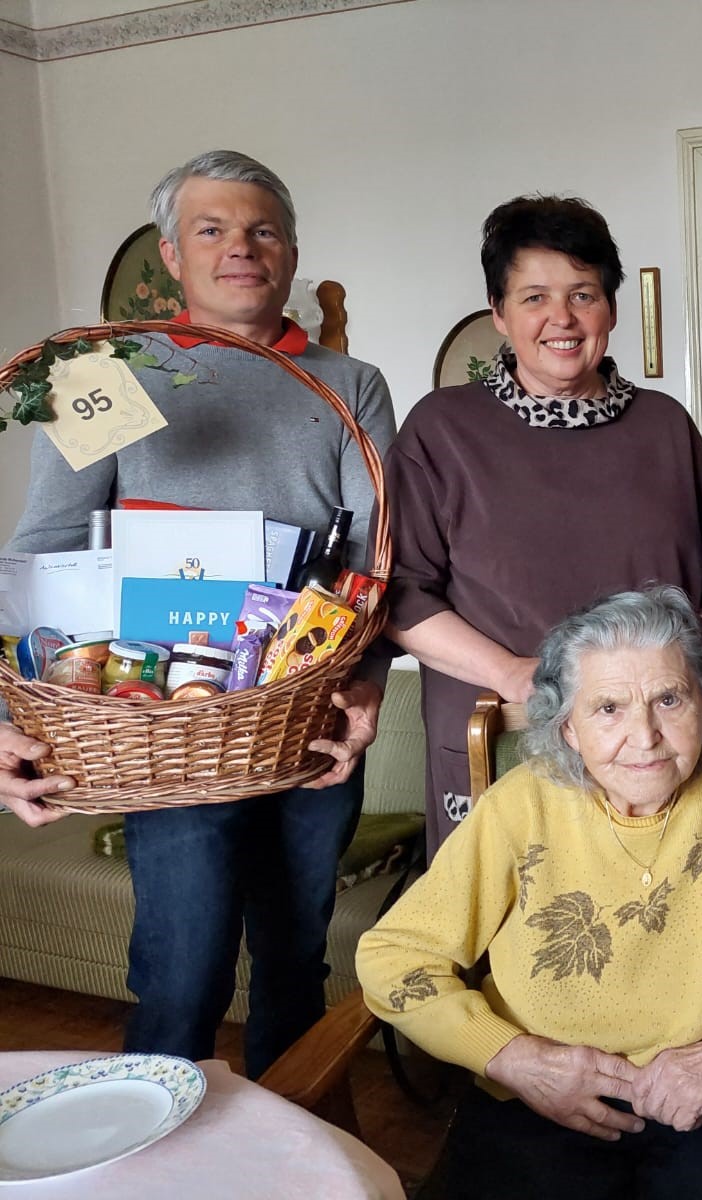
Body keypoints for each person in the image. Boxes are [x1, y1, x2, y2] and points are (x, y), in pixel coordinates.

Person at [0, 150, 397, 1078]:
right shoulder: (105, 377)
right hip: (158, 727)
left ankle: (298, 1159)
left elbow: (376, 563)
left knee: (298, 968)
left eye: (262, 230)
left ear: (292, 252)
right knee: (181, 977)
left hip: (305, 718)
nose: (240, 249)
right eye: (211, 230)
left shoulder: (349, 379)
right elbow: (42, 554)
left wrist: (368, 692)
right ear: (170, 256)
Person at [356, 586, 702, 1200]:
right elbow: (395, 958)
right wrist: (511, 1057)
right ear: (567, 728)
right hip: (545, 1095)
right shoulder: (521, 805)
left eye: (669, 699)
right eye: (607, 709)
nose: (645, 736)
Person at [381, 195, 702, 857]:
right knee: (504, 935)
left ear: (612, 309)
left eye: (583, 294)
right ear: (500, 314)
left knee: (666, 926)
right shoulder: (442, 429)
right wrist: (512, 672)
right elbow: (397, 590)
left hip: (654, 747)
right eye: (534, 296)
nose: (561, 319)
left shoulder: (663, 427)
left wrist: (689, 659)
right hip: (500, 736)